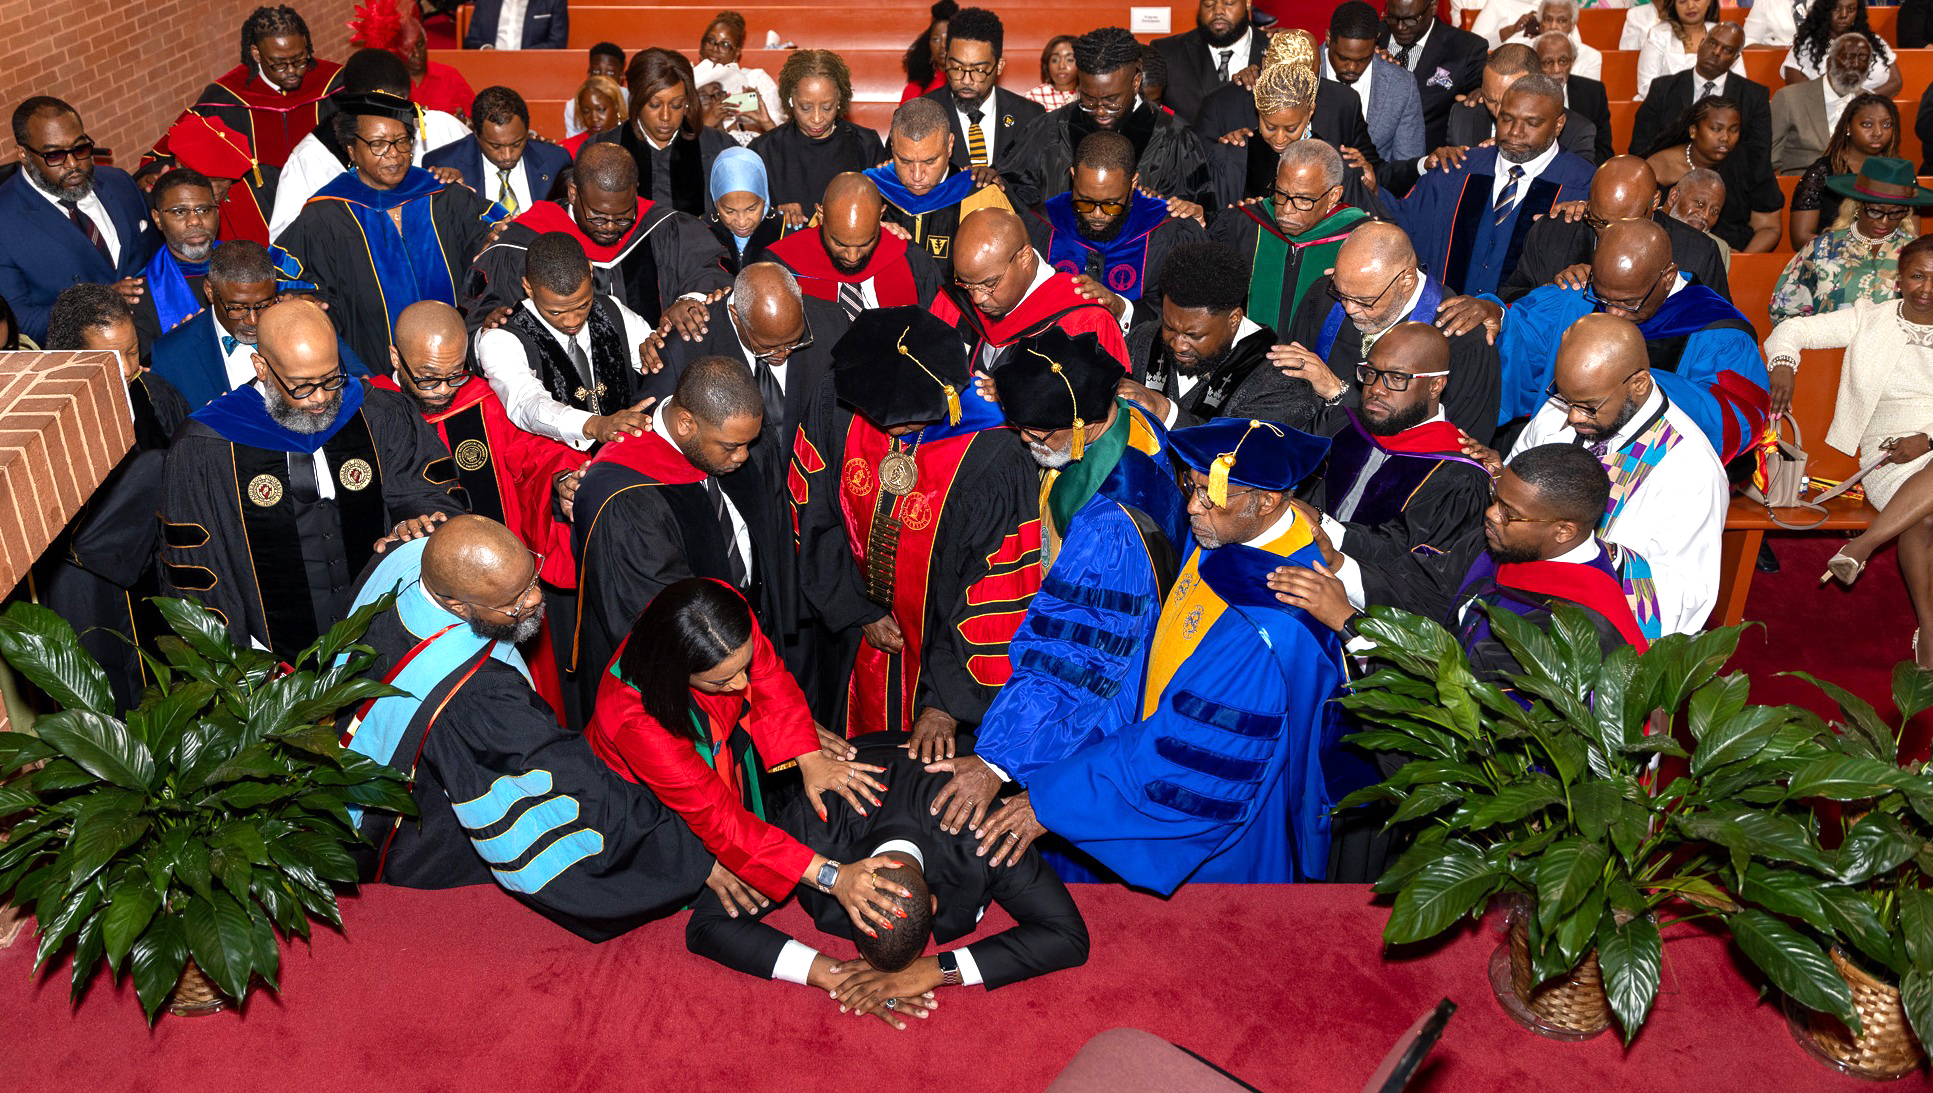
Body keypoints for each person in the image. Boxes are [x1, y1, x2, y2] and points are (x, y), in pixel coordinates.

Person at [954, 417, 1351, 888]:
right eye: (1192, 486)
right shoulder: (1233, 537)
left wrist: (1053, 800)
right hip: (1139, 752)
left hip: (1213, 849)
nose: (1191, 507)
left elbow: (1189, 759)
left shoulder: (1270, 621)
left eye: (1210, 494)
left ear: (1266, 501)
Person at [341, 519, 713, 942]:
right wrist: (685, 852)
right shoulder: (478, 695)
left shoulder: (399, 556)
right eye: (514, 602)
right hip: (423, 826)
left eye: (531, 578)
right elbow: (566, 778)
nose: (535, 598)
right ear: (459, 607)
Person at [925, 328, 1189, 866]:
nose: (1026, 442)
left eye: (1036, 431)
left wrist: (997, 760)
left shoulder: (1110, 526)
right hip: (1124, 644)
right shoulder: (1133, 425)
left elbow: (1077, 658)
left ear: (1081, 423)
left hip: (1100, 703)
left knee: (1065, 843)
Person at [687, 731, 1086, 1020]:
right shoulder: (811, 826)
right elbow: (707, 922)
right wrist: (829, 973)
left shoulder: (982, 832)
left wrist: (936, 970)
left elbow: (1069, 936)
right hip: (858, 759)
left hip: (943, 766)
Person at [160, 298, 466, 661]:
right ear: (261, 366)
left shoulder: (379, 412)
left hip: (387, 635)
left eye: (330, 379)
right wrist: (239, 660)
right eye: (301, 386)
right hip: (273, 660)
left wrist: (417, 516)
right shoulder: (205, 448)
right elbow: (197, 565)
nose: (321, 399)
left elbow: (427, 486)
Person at [793, 307, 1040, 745]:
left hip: (942, 644)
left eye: (910, 420)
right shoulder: (839, 399)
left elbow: (996, 588)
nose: (895, 429)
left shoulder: (994, 452)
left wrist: (947, 700)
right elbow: (813, 510)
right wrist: (855, 608)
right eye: (884, 419)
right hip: (851, 639)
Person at [568, 357, 785, 716]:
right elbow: (658, 626)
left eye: (748, 443)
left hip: (748, 646)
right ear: (686, 423)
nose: (744, 456)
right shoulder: (628, 497)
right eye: (731, 446)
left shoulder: (724, 436)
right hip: (689, 684)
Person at [1492, 313, 1726, 637]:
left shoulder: (1691, 470)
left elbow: (1684, 601)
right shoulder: (1560, 409)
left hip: (1596, 636)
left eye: (1588, 406)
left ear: (1639, 384)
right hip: (1516, 594)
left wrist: (1604, 556)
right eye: (1566, 398)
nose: (1572, 416)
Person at [1766, 237, 1933, 664]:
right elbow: (1793, 328)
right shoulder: (1869, 318)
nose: (1926, 287)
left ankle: (1863, 549)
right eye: (1917, 275)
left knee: (1925, 518)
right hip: (1890, 450)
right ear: (1899, 278)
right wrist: (1783, 364)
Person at [1500, 218, 1769, 464]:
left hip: (1655, 477)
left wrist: (1633, 386)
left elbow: (1738, 422)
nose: (1614, 312)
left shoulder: (1721, 333)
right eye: (1604, 298)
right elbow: (1525, 342)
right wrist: (1498, 316)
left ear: (1667, 278)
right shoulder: (1581, 294)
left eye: (1629, 302)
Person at [278, 90, 505, 374]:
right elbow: (292, 276)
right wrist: (307, 299)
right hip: (376, 369)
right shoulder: (325, 215)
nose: (394, 154)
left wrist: (492, 242)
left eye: (401, 142)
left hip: (457, 364)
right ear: (351, 149)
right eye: (378, 145)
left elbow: (497, 237)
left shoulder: (442, 193)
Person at [38, 284, 189, 712]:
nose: (128, 368)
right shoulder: (47, 418)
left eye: (133, 351)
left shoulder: (157, 393)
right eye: (111, 358)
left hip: (157, 575)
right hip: (83, 585)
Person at [1299, 322, 1492, 626]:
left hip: (1370, 623)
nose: (1376, 388)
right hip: (1296, 584)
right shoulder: (1338, 425)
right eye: (1371, 372)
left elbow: (1420, 575)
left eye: (1397, 378)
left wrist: (1325, 527)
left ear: (1435, 385)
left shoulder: (1458, 476)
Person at [468, 143, 730, 337]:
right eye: (597, 217)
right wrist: (490, 326)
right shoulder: (523, 239)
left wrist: (689, 301)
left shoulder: (664, 228)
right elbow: (479, 313)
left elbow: (709, 273)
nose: (610, 228)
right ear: (573, 193)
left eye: (624, 217)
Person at [1452, 445, 1654, 684]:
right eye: (1496, 498)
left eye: (1509, 512)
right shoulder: (1512, 546)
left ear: (1563, 532)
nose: (1492, 513)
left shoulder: (1583, 630)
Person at [1285, 220, 1501, 442]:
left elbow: (1453, 447)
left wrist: (1338, 392)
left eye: (1365, 300)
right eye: (1342, 293)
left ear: (1406, 279)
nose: (1349, 309)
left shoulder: (1461, 339)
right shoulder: (1323, 297)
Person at [653, 263, 849, 503]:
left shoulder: (831, 321)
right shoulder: (686, 345)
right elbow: (656, 428)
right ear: (736, 316)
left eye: (795, 341)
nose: (783, 353)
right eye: (767, 347)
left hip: (818, 500)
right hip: (739, 504)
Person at [1384, 76, 1593, 298]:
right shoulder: (1456, 169)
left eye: (1531, 123)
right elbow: (1400, 224)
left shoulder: (1584, 186)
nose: (1515, 132)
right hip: (1445, 321)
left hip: (1528, 329)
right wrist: (1362, 186)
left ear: (1558, 124)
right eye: (1506, 119)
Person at [475, 231, 659, 453]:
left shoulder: (612, 310)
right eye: (555, 311)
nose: (572, 320)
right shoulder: (501, 338)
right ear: (528, 287)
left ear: (590, 272)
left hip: (625, 457)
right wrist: (594, 424)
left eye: (583, 305)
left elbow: (657, 359)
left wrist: (659, 352)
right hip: (561, 471)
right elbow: (526, 404)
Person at [1000, 27, 1213, 211]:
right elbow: (1016, 191)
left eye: (1112, 100)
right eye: (1089, 99)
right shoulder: (1051, 128)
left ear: (1136, 81)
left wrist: (1158, 205)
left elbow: (1197, 210)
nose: (1100, 111)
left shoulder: (1175, 139)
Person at [0, 96, 156, 346]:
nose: (73, 164)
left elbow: (155, 259)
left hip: (155, 341)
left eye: (80, 149)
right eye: (54, 155)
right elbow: (19, 321)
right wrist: (93, 308)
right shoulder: (5, 221)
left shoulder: (120, 182)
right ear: (24, 154)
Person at [266, 50, 470, 241]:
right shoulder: (312, 158)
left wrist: (458, 185)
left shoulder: (439, 126)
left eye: (400, 107)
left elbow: (484, 178)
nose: (393, 121)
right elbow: (286, 242)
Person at [149, 240, 368, 410]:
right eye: (237, 307)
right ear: (209, 291)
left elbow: (361, 385)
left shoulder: (305, 324)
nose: (253, 321)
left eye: (264, 305)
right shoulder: (171, 355)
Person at [1119, 241, 1315, 430]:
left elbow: (1239, 453)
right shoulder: (1144, 339)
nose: (1178, 345)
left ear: (1234, 319)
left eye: (1193, 336)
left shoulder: (1281, 382)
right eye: (1169, 327)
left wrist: (1164, 411)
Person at [1027, 131, 1206, 330]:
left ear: (1133, 183)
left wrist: (1122, 308)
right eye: (1084, 201)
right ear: (1073, 176)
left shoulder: (1169, 230)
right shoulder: (1042, 223)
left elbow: (1183, 317)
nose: (1096, 214)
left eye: (1111, 204)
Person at [1499, 154, 1731, 304]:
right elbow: (1509, 297)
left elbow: (1723, 329)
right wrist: (1552, 290)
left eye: (1625, 223)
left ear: (1654, 202)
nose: (1611, 233)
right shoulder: (1553, 232)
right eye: (1600, 222)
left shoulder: (1699, 252)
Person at [1197, 29, 1382, 216]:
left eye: (1291, 128)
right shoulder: (1226, 126)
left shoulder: (1343, 103)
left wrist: (1367, 181)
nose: (1279, 137)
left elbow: (1370, 200)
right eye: (1269, 125)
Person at [930, 207, 1129, 373]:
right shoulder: (952, 303)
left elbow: (1106, 412)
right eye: (966, 283)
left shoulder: (1086, 321)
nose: (977, 297)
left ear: (1024, 257)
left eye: (989, 284)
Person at [1208, 140, 1370, 338]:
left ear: (1333, 196)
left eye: (1304, 200)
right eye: (1281, 193)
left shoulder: (1359, 240)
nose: (1285, 210)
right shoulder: (1245, 224)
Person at [173, 5, 344, 170]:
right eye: (279, 64)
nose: (292, 71)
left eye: (299, 61)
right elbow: (183, 139)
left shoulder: (333, 82)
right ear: (256, 54)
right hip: (259, 196)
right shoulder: (226, 97)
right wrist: (155, 168)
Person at [865, 97, 1016, 277]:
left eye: (929, 161)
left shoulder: (980, 195)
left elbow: (1008, 271)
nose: (917, 175)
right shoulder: (868, 190)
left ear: (950, 145)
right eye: (905, 161)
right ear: (892, 146)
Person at [760, 173, 945, 319]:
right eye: (840, 243)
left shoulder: (913, 260)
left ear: (880, 216)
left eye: (865, 243)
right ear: (821, 215)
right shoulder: (781, 265)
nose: (852, 257)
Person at [1771, 158, 1929, 321]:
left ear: (1906, 212)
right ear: (1857, 206)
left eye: (1896, 213)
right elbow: (1783, 311)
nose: (1884, 222)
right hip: (1827, 344)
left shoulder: (1916, 254)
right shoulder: (1823, 248)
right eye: (1875, 211)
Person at [750, 51, 886, 230]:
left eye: (827, 107)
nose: (816, 118)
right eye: (805, 108)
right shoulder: (764, 149)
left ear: (839, 100)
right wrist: (776, 214)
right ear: (790, 101)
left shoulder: (865, 143)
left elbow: (883, 212)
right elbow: (747, 214)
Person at [591, 48, 733, 219]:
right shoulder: (602, 150)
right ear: (636, 100)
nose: (666, 116)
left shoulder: (718, 147)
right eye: (654, 105)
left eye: (676, 105)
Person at [1649, 95, 1784, 254]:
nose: (1725, 138)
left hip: (1737, 256)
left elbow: (1769, 227)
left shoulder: (1752, 163)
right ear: (1693, 131)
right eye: (1716, 129)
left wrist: (1740, 261)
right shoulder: (1658, 167)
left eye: (1733, 130)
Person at [922, 8, 1043, 174]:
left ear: (999, 66)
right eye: (956, 67)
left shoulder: (1030, 117)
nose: (965, 80)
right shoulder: (919, 113)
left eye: (978, 70)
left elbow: (1040, 186)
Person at [423, 87, 570, 218]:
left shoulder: (556, 161)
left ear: (527, 129)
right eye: (495, 146)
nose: (507, 155)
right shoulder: (444, 164)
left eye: (516, 143)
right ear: (476, 132)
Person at [1629, 22, 1766, 160]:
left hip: (1728, 177)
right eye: (1712, 43)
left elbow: (1757, 156)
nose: (1716, 52)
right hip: (1670, 176)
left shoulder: (1753, 96)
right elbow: (1640, 149)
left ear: (1735, 59)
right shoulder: (1663, 88)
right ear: (1701, 43)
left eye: (1727, 50)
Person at [147, 112, 280, 249]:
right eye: (208, 180)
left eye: (223, 180)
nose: (216, 191)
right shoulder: (165, 196)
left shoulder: (254, 185)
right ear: (181, 166)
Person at [1322, 2, 1425, 165]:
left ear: (1376, 41)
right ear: (1328, 38)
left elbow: (1406, 167)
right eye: (1343, 58)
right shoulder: (1303, 71)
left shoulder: (1401, 85)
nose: (1352, 68)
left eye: (1363, 59)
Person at [1380, 0, 1488, 152]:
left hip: (1428, 161)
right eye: (1392, 18)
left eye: (1410, 20)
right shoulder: (1369, 39)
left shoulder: (1466, 49)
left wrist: (1483, 92)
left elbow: (1487, 94)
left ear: (1433, 7)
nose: (1400, 27)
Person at [131, 168, 224, 343]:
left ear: (217, 212)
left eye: (204, 210)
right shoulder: (142, 294)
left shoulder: (250, 261)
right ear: (157, 219)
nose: (195, 221)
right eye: (180, 212)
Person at [1773, 35, 1885, 177]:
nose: (1855, 64)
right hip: (1804, 182)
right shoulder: (1789, 98)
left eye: (1862, 59)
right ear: (1829, 63)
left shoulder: (1872, 103)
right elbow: (1769, 159)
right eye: (1848, 57)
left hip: (1856, 186)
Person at [1151, 0, 1266, 128]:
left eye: (1228, 2)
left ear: (1248, 2)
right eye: (1209, 3)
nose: (1218, 11)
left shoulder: (1278, 48)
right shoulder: (1166, 52)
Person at [360, 3, 475, 121]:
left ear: (426, 41)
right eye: (408, 49)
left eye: (420, 45)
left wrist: (465, 122)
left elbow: (476, 120)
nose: (417, 54)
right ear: (396, 51)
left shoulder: (449, 75)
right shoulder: (389, 86)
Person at [695, 12, 785, 144]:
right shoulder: (686, 79)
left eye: (725, 44)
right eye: (710, 41)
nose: (715, 48)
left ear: (737, 52)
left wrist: (747, 123)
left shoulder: (754, 79)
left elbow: (778, 137)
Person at [1783, 0, 1900, 97]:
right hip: (1824, 116)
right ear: (1824, 11)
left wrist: (1862, 102)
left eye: (1851, 9)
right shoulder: (1805, 47)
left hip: (1871, 111)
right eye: (1836, 8)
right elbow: (1797, 93)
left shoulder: (1874, 41)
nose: (1844, 15)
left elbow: (1896, 82)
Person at [1534, 32, 1612, 167]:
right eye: (1548, 62)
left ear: (1573, 61)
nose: (1557, 69)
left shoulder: (1593, 92)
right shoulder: (1525, 94)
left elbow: (1603, 149)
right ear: (1536, 64)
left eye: (1563, 61)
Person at [1636, 0, 1736, 100]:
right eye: (1682, 1)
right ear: (1674, 4)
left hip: (1718, 110)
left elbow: (1739, 85)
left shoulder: (1724, 35)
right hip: (1668, 109)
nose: (1690, 6)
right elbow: (1646, 87)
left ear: (1709, 1)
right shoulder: (1659, 34)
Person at [708, 146, 786, 274]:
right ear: (716, 201)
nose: (742, 222)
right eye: (729, 211)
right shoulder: (702, 231)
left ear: (764, 197)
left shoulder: (786, 232)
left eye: (751, 209)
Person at [1666, 166, 1732, 266]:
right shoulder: (1641, 227)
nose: (1705, 216)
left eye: (1714, 211)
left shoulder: (1718, 249)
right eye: (1700, 204)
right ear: (1674, 196)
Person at [565, 44, 628, 138]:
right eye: (596, 72)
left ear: (621, 75)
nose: (602, 77)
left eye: (610, 72)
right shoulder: (573, 106)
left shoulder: (632, 100)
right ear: (589, 73)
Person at [902, 1, 957, 103]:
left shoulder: (969, 88)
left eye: (948, 38)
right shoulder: (914, 90)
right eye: (936, 39)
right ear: (928, 46)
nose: (943, 45)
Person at [464, 0, 569, 50]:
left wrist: (519, 56)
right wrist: (486, 49)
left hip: (535, 66)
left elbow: (557, 43)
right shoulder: (485, 2)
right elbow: (471, 41)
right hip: (491, 65)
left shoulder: (553, 1)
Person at [562, 76, 624, 159]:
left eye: (601, 110)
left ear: (616, 106)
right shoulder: (567, 150)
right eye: (586, 111)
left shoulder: (634, 143)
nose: (594, 118)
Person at [1028, 36, 1080, 111]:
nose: (1061, 66)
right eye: (1055, 60)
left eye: (1070, 60)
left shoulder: (1089, 96)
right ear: (1047, 64)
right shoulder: (1033, 98)